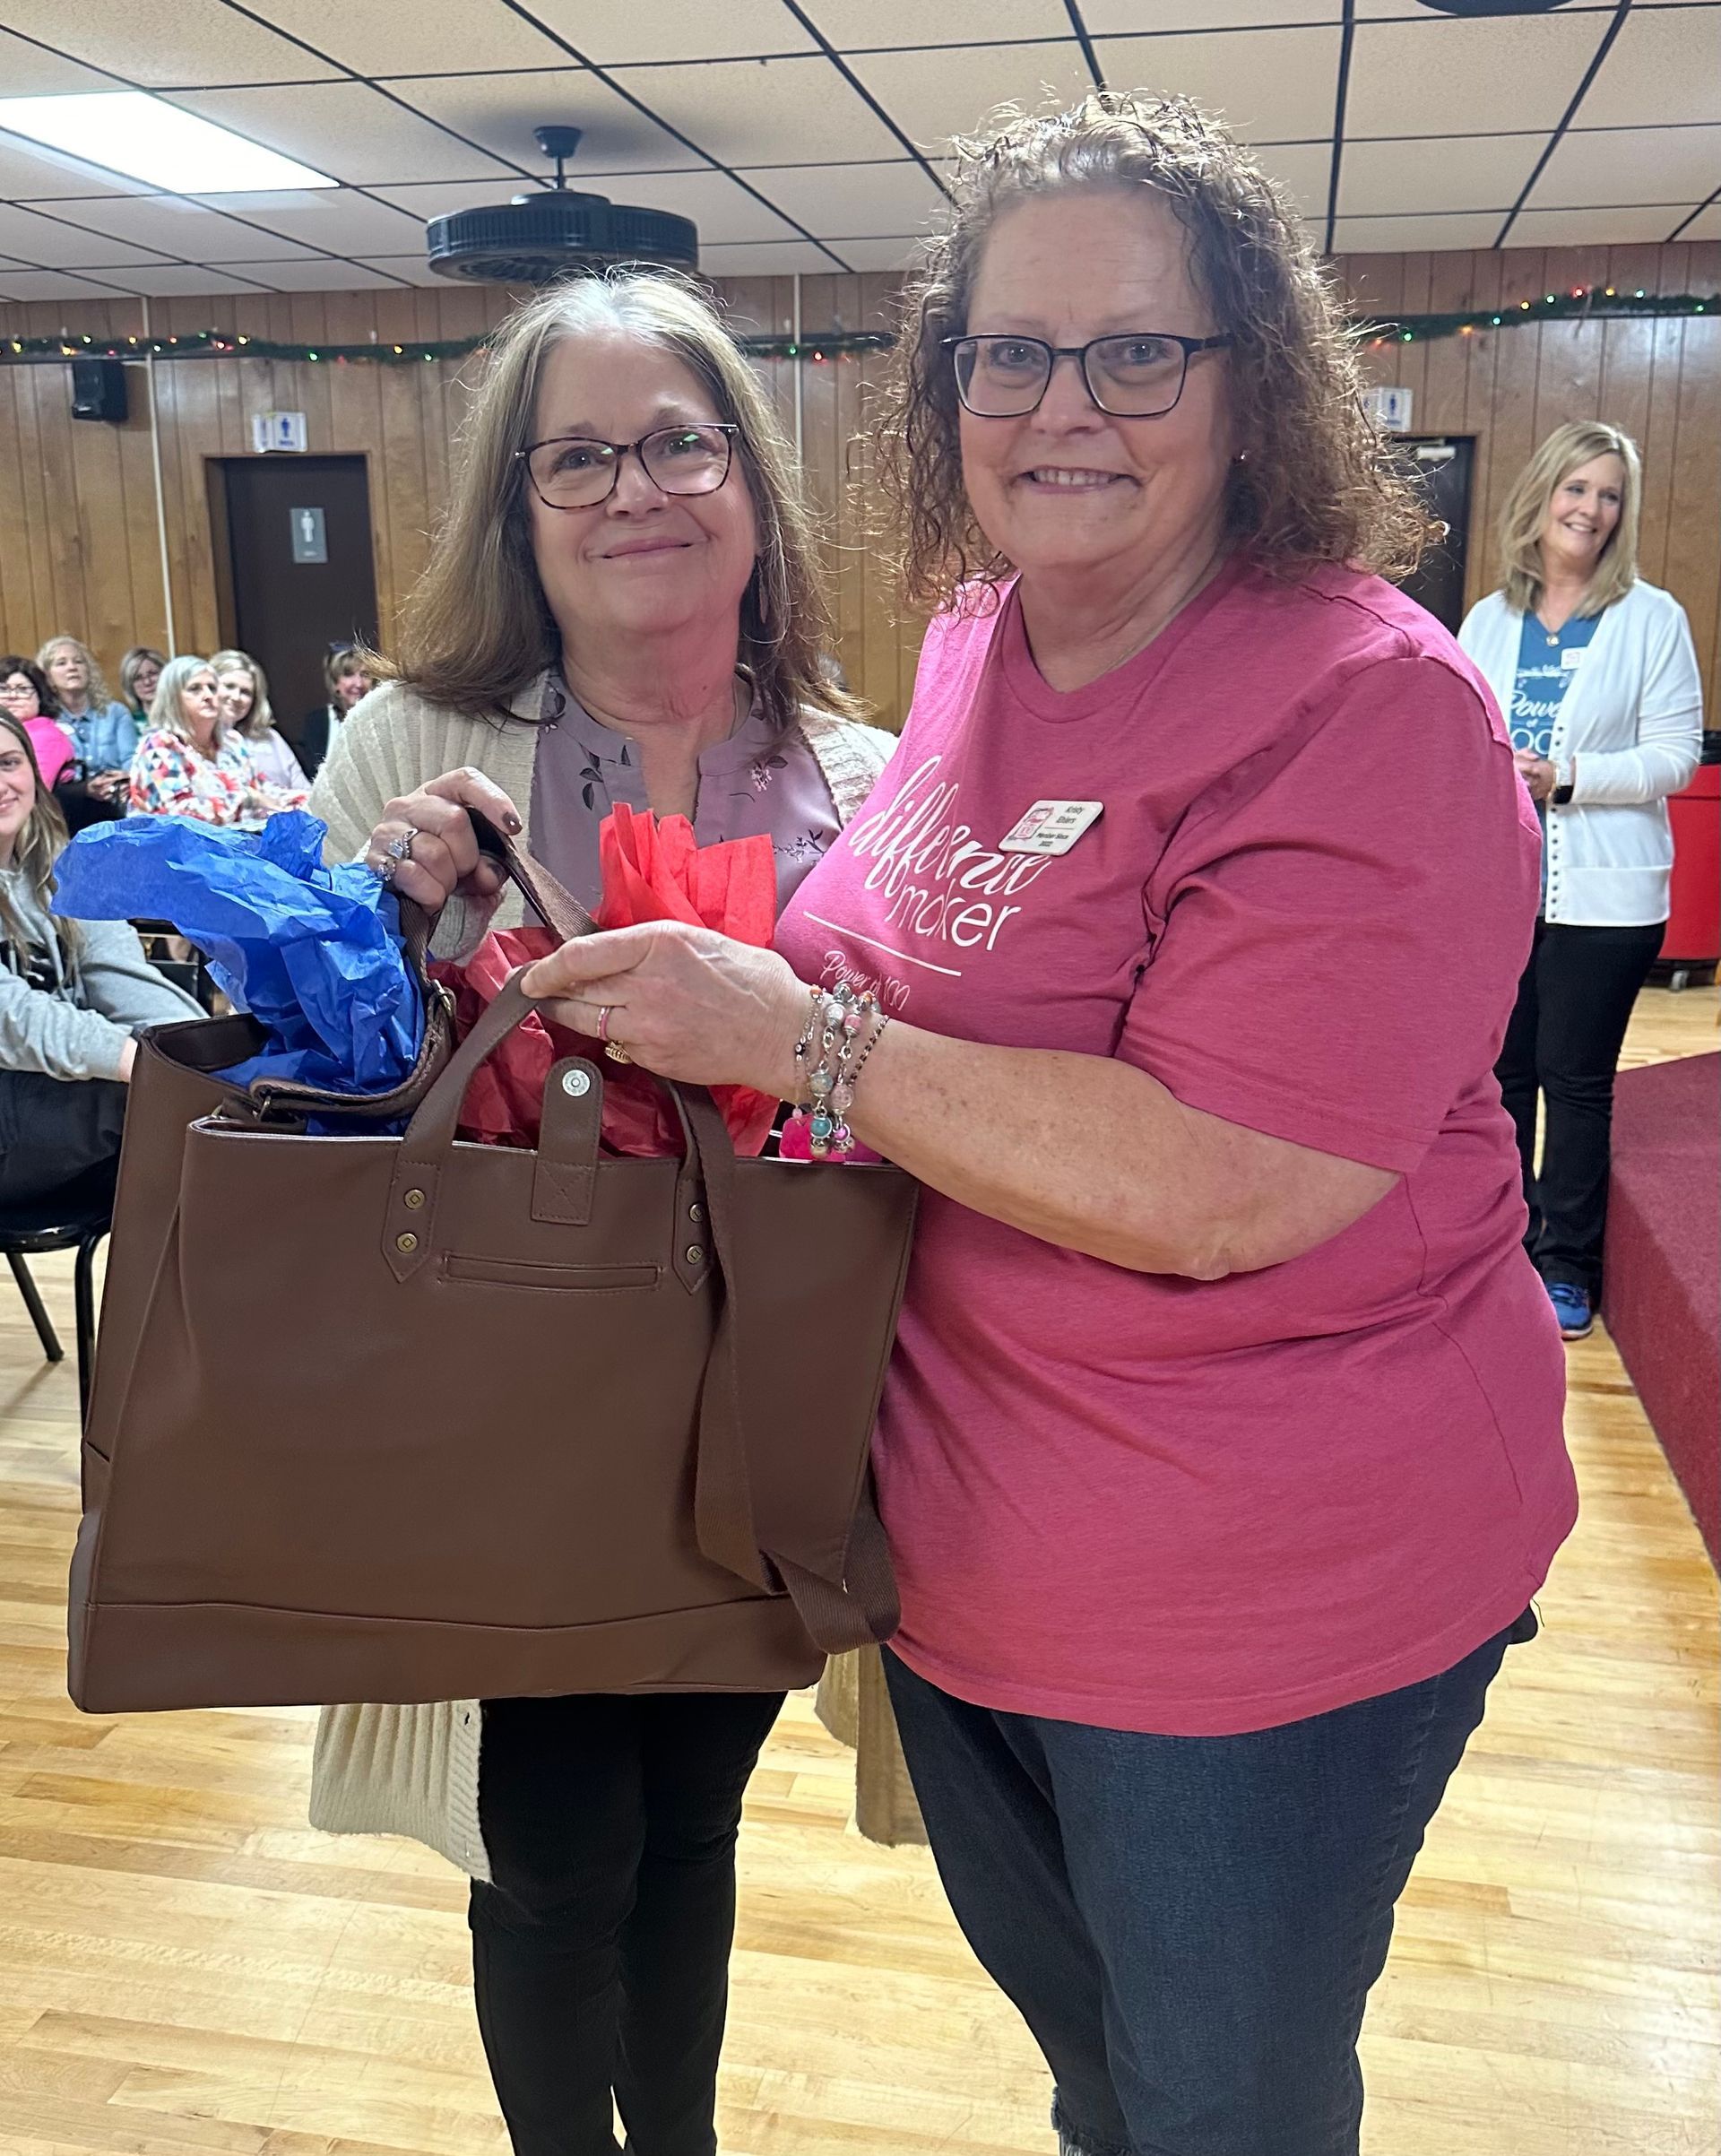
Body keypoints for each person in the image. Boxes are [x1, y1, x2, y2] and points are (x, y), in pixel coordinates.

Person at [509, 94, 1580, 2156]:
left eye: (1136, 350)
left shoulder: (1363, 708)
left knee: (1214, 2106)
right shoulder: (977, 640)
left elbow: (1217, 1181)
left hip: (1252, 1606)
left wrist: (795, 1035)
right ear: (948, 387)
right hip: (960, 1556)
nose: (1060, 404)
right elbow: (900, 950)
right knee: (1099, 2074)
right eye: (1006, 350)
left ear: (1249, 380)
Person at [305, 269, 896, 2156]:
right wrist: (393, 934)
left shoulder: (865, 775)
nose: (634, 486)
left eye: (677, 440)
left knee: (695, 1818)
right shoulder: (414, 744)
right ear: (519, 504)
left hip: (766, 1411)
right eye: (578, 455)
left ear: (747, 480)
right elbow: (305, 1093)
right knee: (557, 1843)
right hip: (514, 1424)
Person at [1457, 421, 1703, 1341]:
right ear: (1543, 496)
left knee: (1576, 1080)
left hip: (1608, 895)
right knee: (1501, 1076)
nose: (1591, 509)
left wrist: (1568, 778)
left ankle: (1567, 1263)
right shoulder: (1488, 619)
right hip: (1502, 890)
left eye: (1608, 495)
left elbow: (1675, 755)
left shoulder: (1652, 617)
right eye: (1577, 489)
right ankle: (1505, 1245)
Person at [0, 712, 202, 1208]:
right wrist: (146, 1065)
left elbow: (124, 979)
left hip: (56, 1112)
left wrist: (202, 1052)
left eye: (8, 762)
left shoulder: (60, 869)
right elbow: (13, 1019)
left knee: (208, 1110)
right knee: (164, 1109)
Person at [130, 655, 307, 827]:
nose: (208, 695)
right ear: (173, 699)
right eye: (195, 689)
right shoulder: (159, 745)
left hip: (235, 850)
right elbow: (177, 815)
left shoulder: (232, 742)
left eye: (213, 688)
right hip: (175, 854)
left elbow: (263, 790)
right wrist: (249, 799)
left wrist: (305, 801)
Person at [37, 635, 137, 808]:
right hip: (69, 804)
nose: (72, 668)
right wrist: (86, 789)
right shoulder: (46, 721)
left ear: (89, 671)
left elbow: (132, 760)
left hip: (118, 799)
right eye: (61, 663)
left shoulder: (116, 712)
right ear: (48, 677)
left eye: (78, 662)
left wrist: (125, 777)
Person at [212, 647, 309, 795]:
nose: (236, 697)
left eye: (246, 692)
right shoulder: (198, 740)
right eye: (229, 686)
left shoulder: (271, 738)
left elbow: (305, 792)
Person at [0, 658, 76, 792]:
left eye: (23, 689)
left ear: (40, 696)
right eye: (3, 689)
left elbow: (32, 791)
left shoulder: (47, 737)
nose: (12, 696)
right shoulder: (6, 732)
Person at [298, 645, 374, 780]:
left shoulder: (380, 718)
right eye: (349, 674)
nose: (359, 683)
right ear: (335, 683)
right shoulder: (317, 722)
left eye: (365, 675)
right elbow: (313, 775)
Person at [118, 646, 165, 728]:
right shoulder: (126, 724)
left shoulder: (184, 717)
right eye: (138, 678)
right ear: (129, 685)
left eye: (152, 673)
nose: (147, 682)